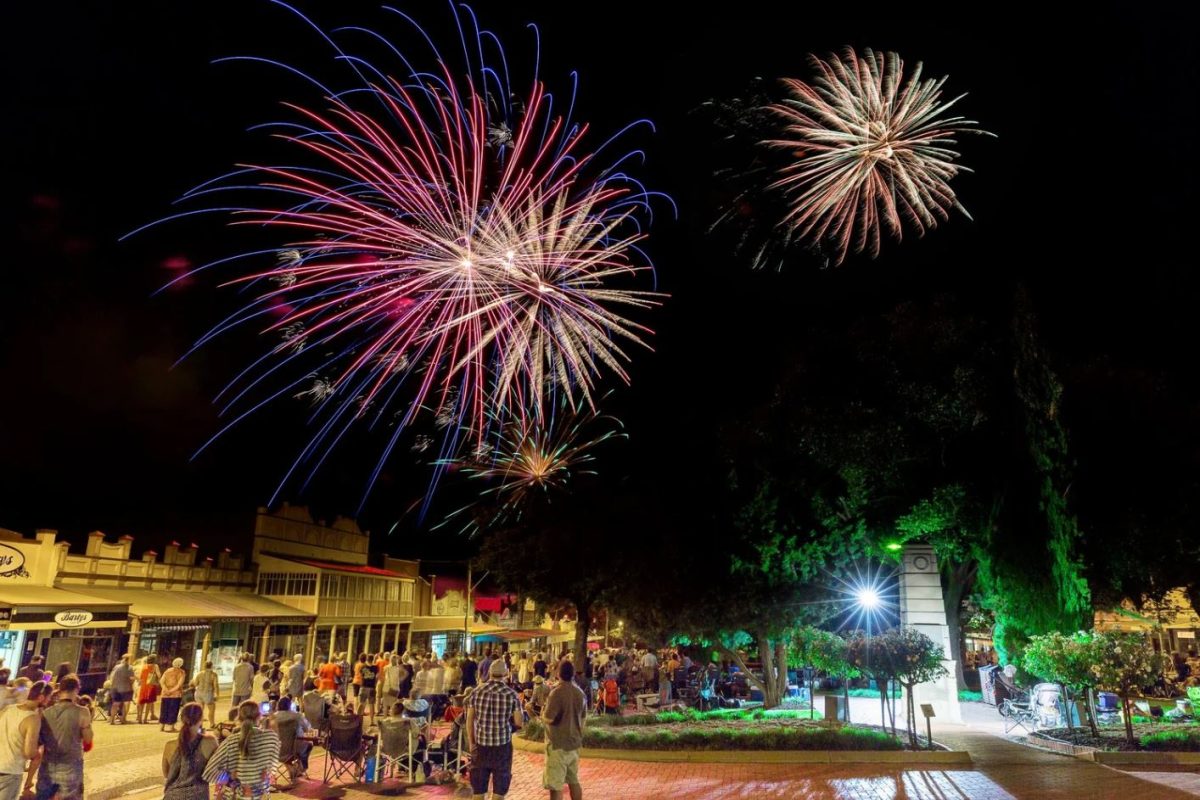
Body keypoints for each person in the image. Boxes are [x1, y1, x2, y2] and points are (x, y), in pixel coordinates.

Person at [465, 659, 523, 800]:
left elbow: (470, 720)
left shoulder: (476, 692)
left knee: (478, 790)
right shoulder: (511, 694)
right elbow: (519, 722)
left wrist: (472, 743)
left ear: (489, 672)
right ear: (505, 673)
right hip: (502, 746)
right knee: (499, 790)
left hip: (481, 745)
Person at [203, 701, 280, 800]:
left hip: (235, 794)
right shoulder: (269, 738)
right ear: (259, 717)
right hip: (260, 795)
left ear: (238, 718)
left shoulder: (231, 741)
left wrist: (230, 775)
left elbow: (209, 771)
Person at [36, 675, 93, 800]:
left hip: (47, 764)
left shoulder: (46, 712)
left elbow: (39, 741)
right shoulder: (82, 712)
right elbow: (88, 739)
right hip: (70, 764)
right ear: (77, 690)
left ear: (60, 690)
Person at [542, 660, 586, 800]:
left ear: (558, 673)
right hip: (574, 743)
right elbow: (583, 719)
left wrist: (542, 713)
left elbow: (549, 718)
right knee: (574, 781)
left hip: (557, 744)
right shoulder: (580, 693)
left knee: (556, 786)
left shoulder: (556, 693)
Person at [0, 681, 47, 800]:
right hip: (10, 771)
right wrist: (38, 754)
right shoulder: (32, 718)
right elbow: (29, 752)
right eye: (49, 697)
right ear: (41, 698)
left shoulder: (8, 709)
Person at [162, 702, 217, 800]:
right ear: (201, 719)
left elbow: (166, 773)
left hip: (171, 796)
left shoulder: (169, 746)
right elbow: (217, 771)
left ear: (182, 719)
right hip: (198, 796)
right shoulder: (210, 742)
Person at [269, 697, 311, 775]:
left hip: (275, 751)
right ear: (290, 705)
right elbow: (307, 728)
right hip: (293, 750)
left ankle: (291, 768)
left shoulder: (272, 718)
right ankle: (301, 767)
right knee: (309, 745)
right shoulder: (296, 716)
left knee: (283, 745)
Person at [160, 659, 187, 733]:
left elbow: (162, 681)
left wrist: (166, 690)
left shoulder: (168, 670)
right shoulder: (182, 672)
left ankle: (162, 726)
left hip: (165, 694)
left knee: (164, 709)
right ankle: (170, 727)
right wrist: (171, 691)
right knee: (173, 710)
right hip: (176, 694)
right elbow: (179, 684)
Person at [191, 662, 219, 728]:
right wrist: (217, 694)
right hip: (208, 693)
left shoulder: (200, 673)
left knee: (200, 709)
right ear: (211, 666)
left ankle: (199, 725)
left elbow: (195, 684)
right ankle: (212, 724)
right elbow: (216, 685)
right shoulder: (213, 674)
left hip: (198, 693)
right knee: (211, 709)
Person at [108, 657, 135, 725]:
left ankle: (112, 720)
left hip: (115, 688)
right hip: (125, 688)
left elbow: (112, 676)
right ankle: (123, 719)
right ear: (128, 660)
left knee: (115, 704)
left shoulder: (116, 667)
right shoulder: (129, 668)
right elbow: (132, 678)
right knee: (124, 705)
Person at [137, 655, 161, 725]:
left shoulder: (144, 666)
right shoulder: (155, 666)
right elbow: (159, 675)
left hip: (143, 686)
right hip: (151, 686)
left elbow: (141, 678)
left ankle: (140, 718)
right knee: (149, 703)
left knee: (142, 703)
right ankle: (145, 719)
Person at [357, 655, 377, 725]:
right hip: (372, 688)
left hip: (364, 687)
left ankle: (358, 719)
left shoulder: (363, 667)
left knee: (361, 703)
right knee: (372, 705)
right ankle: (371, 721)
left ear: (367, 659)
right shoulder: (375, 667)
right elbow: (376, 677)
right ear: (373, 659)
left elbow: (360, 674)